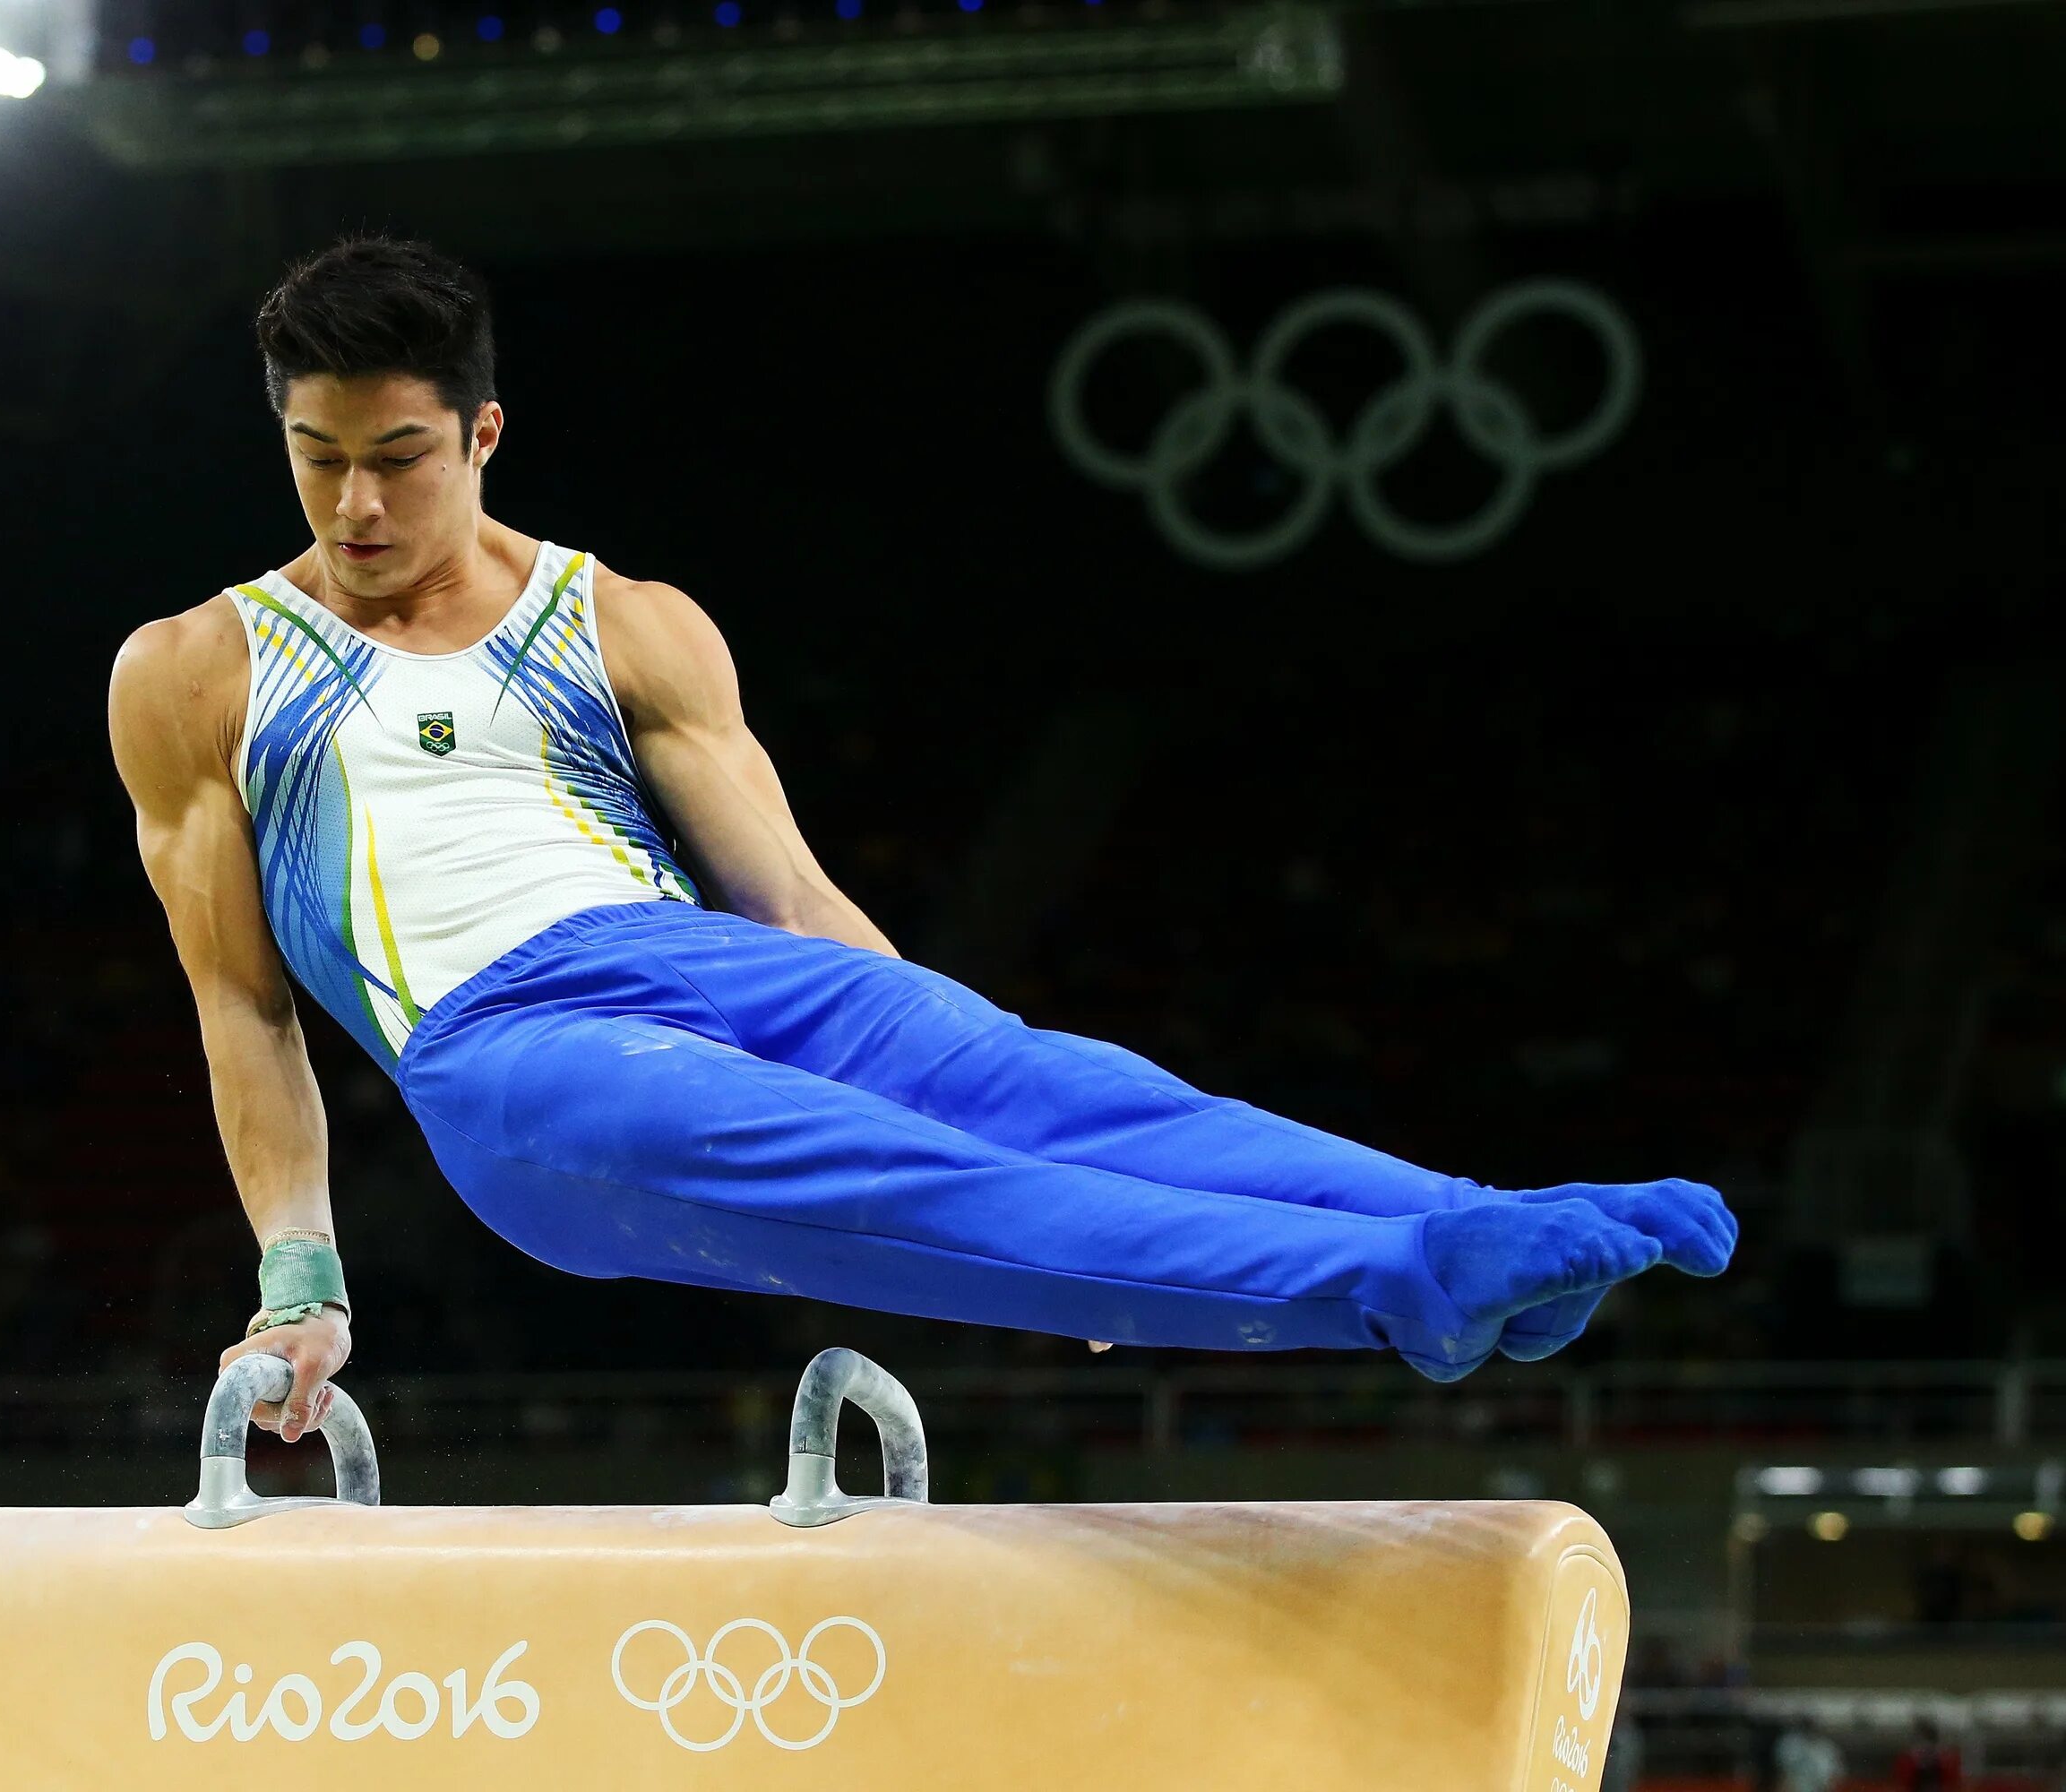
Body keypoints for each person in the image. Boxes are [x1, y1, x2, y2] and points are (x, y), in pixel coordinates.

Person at [107, 235, 1739, 1441]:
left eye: (398, 460)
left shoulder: (628, 623)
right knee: (930, 1180)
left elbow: (795, 897)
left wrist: (1022, 1172)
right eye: (318, 462)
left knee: (1058, 1093)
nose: (358, 511)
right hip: (514, 1060)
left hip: (713, 965)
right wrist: (302, 1276)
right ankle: (1400, 1287)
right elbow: (240, 1002)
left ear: (482, 435)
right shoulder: (201, 671)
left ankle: (1475, 1229)